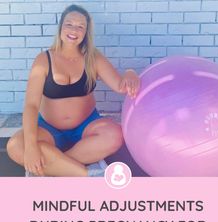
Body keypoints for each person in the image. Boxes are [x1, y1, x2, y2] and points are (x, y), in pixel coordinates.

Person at [7, 4, 140, 177]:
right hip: (49, 130)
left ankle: (54, 168)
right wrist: (31, 147)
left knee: (115, 136)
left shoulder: (93, 57)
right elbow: (31, 105)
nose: (73, 30)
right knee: (16, 146)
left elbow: (120, 85)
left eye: (80, 26)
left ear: (85, 33)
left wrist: (131, 72)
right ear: (61, 27)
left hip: (86, 127)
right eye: (69, 24)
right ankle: (87, 174)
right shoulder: (43, 60)